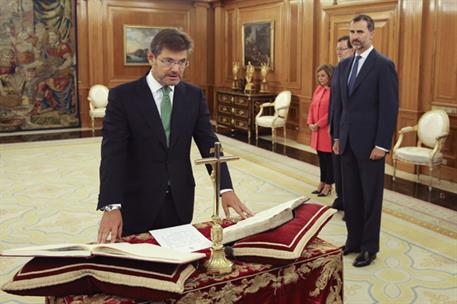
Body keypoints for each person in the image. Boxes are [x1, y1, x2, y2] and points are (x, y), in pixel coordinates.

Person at [97, 28, 253, 243]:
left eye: (182, 62)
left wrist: (225, 188)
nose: (176, 69)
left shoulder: (194, 96)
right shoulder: (123, 97)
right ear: (151, 58)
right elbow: (112, 155)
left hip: (180, 198)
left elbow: (210, 144)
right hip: (136, 200)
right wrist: (111, 206)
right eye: (168, 61)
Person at [332, 15, 398, 267]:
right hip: (347, 142)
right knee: (351, 197)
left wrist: (382, 144)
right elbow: (341, 107)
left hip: (371, 146)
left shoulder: (383, 65)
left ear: (371, 33)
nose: (355, 36)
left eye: (360, 31)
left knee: (371, 198)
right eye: (352, 31)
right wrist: (337, 136)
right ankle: (354, 241)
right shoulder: (344, 66)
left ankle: (369, 247)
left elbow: (389, 107)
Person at [329, 36, 354, 213]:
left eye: (342, 49)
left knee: (348, 169)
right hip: (336, 125)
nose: (338, 52)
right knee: (337, 166)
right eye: (337, 48)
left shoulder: (355, 71)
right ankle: (341, 197)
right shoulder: (337, 69)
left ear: (352, 50)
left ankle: (351, 203)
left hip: (349, 128)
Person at [307, 64, 334, 197]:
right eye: (318, 76)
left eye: (323, 75)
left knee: (329, 159)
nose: (320, 78)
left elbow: (332, 112)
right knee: (321, 158)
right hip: (316, 131)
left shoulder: (334, 91)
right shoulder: (318, 89)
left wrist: (318, 124)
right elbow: (312, 107)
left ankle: (329, 184)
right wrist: (310, 122)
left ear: (329, 75)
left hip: (326, 131)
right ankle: (322, 181)